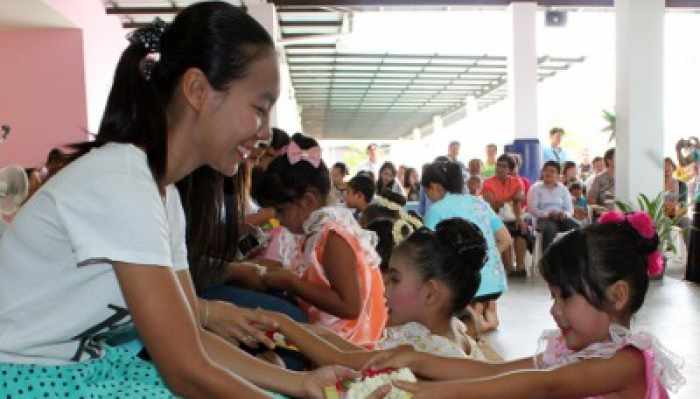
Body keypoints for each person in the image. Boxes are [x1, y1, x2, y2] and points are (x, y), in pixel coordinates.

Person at [0, 4, 351, 398]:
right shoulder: (121, 180)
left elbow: (194, 342)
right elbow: (186, 368)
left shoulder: (161, 194)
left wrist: (300, 384)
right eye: (259, 108)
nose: (266, 132)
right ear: (198, 91)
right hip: (18, 375)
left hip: (74, 369)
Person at [367, 211, 685, 399]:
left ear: (617, 296)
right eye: (552, 296)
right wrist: (418, 360)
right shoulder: (570, 350)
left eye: (565, 296)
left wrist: (438, 392)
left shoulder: (626, 362)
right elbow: (491, 370)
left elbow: (545, 385)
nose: (554, 309)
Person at [262, 218, 489, 371]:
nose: (384, 287)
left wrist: (285, 326)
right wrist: (303, 331)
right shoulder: (453, 333)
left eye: (395, 279)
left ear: (430, 293)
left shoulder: (429, 352)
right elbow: (353, 351)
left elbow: (344, 359)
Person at [254, 133, 388, 347]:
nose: (277, 219)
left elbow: (350, 306)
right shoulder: (310, 230)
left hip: (347, 340)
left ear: (308, 200)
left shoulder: (332, 237)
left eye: (280, 211)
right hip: (325, 328)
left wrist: (292, 283)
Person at [421, 159, 512, 333]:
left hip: (467, 286)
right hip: (495, 283)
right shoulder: (480, 203)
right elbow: (506, 239)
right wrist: (488, 257)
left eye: (426, 192)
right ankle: (484, 312)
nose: (427, 197)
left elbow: (427, 250)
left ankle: (480, 320)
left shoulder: (436, 210)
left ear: (435, 187)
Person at [482, 154, 527, 277]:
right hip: (494, 217)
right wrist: (510, 199)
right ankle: (508, 268)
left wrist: (519, 219)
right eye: (498, 165)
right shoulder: (488, 183)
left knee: (521, 231)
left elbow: (519, 199)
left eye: (504, 166)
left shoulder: (516, 181)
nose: (500, 168)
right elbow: (492, 205)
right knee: (503, 232)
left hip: (512, 216)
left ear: (510, 170)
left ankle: (520, 266)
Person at [527, 161, 580, 252]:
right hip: (543, 219)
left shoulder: (563, 189)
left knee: (578, 227)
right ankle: (547, 262)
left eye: (552, 171)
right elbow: (532, 209)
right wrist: (548, 214)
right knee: (550, 228)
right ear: (542, 172)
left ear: (558, 175)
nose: (548, 173)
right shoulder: (535, 188)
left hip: (560, 218)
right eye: (546, 170)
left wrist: (564, 214)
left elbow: (570, 210)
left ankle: (574, 259)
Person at [588, 148, 616, 214]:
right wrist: (603, 212)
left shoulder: (625, 177)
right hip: (606, 217)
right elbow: (591, 199)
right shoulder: (599, 178)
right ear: (609, 161)